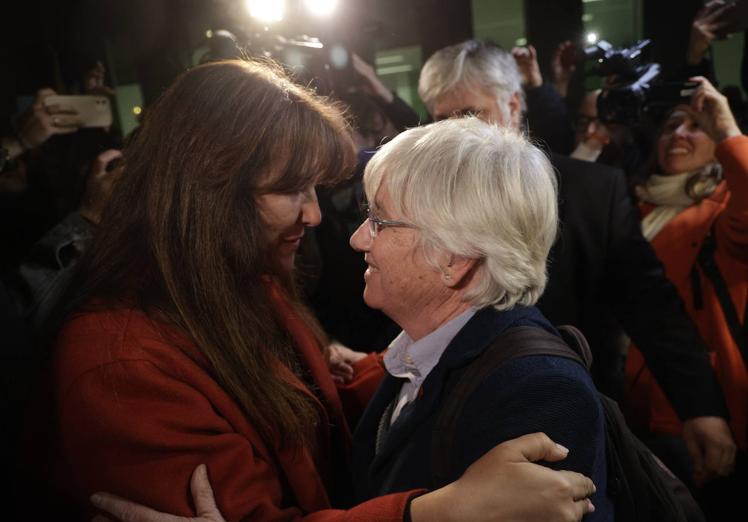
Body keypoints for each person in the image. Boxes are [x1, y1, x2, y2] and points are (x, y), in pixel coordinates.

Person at [39, 58, 595, 522]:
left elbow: (304, 422)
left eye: (379, 220)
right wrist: (433, 510)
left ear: (456, 256)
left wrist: (399, 365)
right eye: (291, 189)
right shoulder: (119, 361)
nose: (315, 214)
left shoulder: (236, 283)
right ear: (209, 194)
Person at [416, 39, 736, 485]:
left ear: (512, 105)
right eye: (441, 120)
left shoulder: (592, 192)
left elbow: (651, 307)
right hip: (454, 434)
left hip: (572, 426)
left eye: (470, 115)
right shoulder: (418, 203)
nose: (456, 134)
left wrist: (699, 406)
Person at [345, 117, 612, 520]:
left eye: (380, 221)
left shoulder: (538, 389)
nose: (359, 238)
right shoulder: (427, 350)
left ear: (456, 258)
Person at [624, 76, 747, 519]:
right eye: (671, 125)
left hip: (699, 415)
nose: (678, 134)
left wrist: (729, 127)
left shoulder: (724, 211)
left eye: (697, 126)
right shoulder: (628, 208)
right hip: (631, 408)